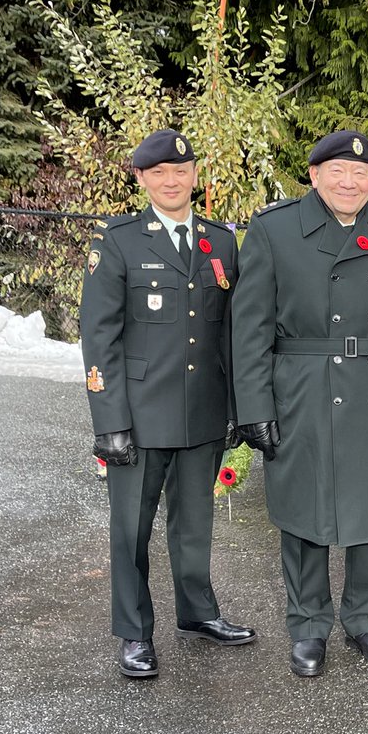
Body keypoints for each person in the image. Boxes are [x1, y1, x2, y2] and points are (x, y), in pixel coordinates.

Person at [231, 130, 368, 677]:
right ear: (314, 176)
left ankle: (365, 619)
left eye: (360, 173)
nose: (349, 181)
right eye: (337, 171)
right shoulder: (273, 230)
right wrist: (254, 407)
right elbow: (249, 329)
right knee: (305, 512)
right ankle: (308, 624)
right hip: (301, 387)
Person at [81, 129, 256, 678]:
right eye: (158, 173)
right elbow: (99, 336)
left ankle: (198, 613)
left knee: (195, 522)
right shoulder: (118, 241)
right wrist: (109, 421)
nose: (172, 180)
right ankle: (134, 631)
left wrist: (234, 405)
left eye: (181, 171)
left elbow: (230, 332)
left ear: (195, 175)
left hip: (202, 411)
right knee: (131, 529)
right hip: (138, 415)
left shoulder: (220, 243)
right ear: (141, 179)